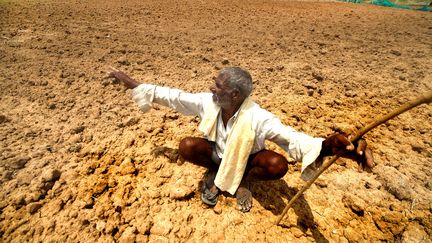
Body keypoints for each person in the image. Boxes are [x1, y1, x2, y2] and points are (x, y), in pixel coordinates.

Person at [109, 67, 374, 212]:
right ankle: (220, 173)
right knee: (187, 146)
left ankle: (242, 179)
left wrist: (331, 147)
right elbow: (175, 97)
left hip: (248, 160)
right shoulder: (208, 102)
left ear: (235, 95)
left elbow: (293, 139)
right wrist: (135, 84)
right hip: (218, 153)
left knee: (277, 165)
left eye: (218, 86)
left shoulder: (259, 117)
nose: (212, 89)